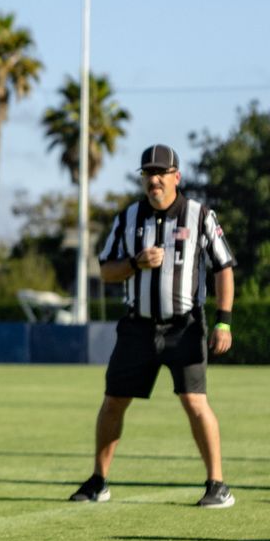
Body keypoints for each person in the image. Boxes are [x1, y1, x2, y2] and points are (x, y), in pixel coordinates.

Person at [71, 144, 237, 508]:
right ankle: (99, 480)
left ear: (177, 176)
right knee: (113, 401)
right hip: (138, 327)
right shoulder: (127, 218)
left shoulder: (199, 215)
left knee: (195, 401)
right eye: (148, 174)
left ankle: (217, 484)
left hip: (185, 325)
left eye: (161, 173)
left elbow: (223, 267)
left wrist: (223, 322)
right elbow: (106, 270)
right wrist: (135, 263)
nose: (155, 180)